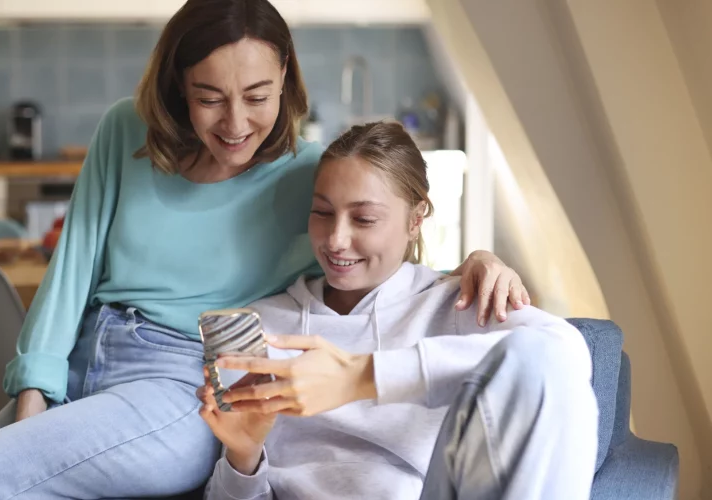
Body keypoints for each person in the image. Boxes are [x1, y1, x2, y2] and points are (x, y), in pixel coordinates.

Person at [0, 1, 530, 498]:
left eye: (258, 97)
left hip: (180, 385)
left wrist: (477, 262)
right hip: (84, 358)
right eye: (208, 98)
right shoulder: (124, 132)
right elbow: (71, 270)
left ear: (285, 77)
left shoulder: (309, 175)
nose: (236, 123)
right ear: (177, 86)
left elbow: (377, 243)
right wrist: (33, 394)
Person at [198, 121, 598, 500]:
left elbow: (560, 353)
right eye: (322, 212)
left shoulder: (455, 304)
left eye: (364, 218)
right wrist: (244, 456)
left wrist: (362, 376)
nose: (336, 240)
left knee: (539, 358)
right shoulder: (261, 324)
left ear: (415, 219)